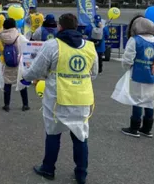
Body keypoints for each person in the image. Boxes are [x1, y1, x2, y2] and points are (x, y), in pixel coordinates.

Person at [22, 13, 98, 184]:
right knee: (80, 135)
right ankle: (81, 173)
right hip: (82, 97)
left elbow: (37, 70)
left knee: (53, 132)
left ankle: (48, 168)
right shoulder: (90, 47)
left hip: (58, 97)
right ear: (77, 26)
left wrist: (26, 76)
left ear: (60, 26)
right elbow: (93, 73)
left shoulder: (52, 46)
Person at [119, 16, 154, 138]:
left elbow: (128, 59)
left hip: (138, 74)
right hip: (153, 76)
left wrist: (128, 68)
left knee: (137, 101)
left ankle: (134, 127)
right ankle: (147, 128)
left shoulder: (135, 40)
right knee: (150, 101)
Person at [0, 18, 30, 112]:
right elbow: (27, 46)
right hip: (18, 63)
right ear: (14, 26)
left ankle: (6, 105)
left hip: (6, 63)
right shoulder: (19, 37)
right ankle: (25, 104)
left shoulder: (1, 37)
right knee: (22, 83)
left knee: (7, 83)